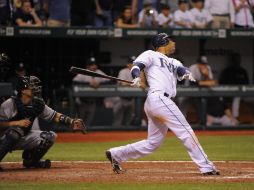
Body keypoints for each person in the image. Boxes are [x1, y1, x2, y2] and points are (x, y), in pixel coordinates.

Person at [105, 33, 219, 176]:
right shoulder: (150, 54)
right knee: (186, 131)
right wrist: (135, 77)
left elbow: (181, 70)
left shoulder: (174, 61)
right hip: (158, 98)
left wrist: (185, 73)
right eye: (171, 40)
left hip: (158, 102)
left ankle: (116, 154)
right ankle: (206, 166)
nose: (174, 43)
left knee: (153, 143)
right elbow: (137, 66)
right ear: (163, 42)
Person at [0, 76, 85, 171]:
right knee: (15, 132)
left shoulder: (36, 103)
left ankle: (31, 161)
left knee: (49, 137)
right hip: (3, 138)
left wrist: (71, 121)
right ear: (23, 90)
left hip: (21, 137)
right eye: (31, 86)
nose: (35, 88)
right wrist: (16, 123)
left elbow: (55, 115)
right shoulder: (10, 104)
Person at [73, 57, 109, 127]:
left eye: (95, 64)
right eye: (91, 64)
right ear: (87, 66)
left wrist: (99, 83)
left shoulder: (99, 72)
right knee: (79, 124)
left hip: (92, 102)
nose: (94, 66)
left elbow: (110, 80)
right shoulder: (83, 72)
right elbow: (74, 81)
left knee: (87, 125)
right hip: (82, 102)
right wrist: (88, 84)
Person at [220, 53, 249, 118]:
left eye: (238, 59)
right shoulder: (227, 71)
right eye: (235, 59)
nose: (237, 61)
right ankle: (231, 117)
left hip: (241, 92)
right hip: (229, 92)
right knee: (222, 98)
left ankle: (235, 117)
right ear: (232, 60)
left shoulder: (243, 71)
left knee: (237, 97)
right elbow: (222, 84)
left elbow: (247, 84)